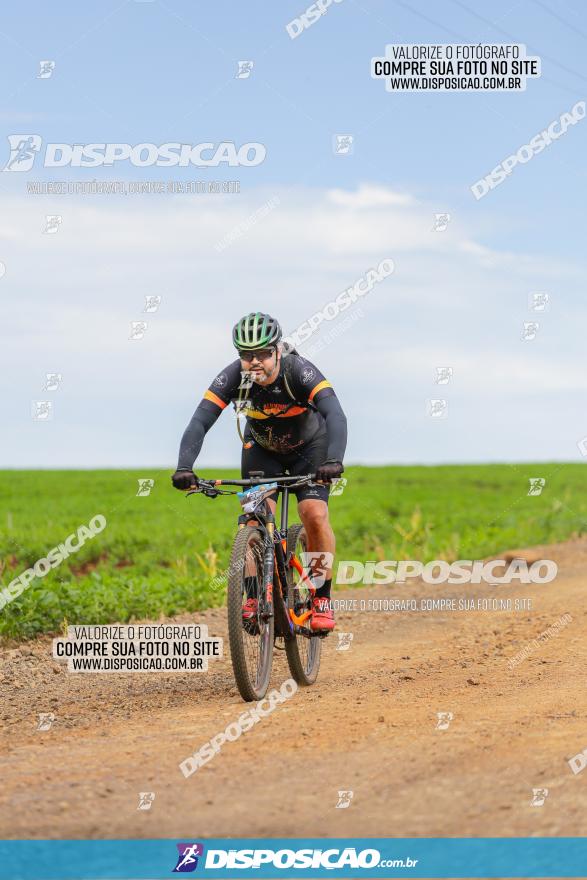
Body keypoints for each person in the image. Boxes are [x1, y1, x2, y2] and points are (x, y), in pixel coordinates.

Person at [171, 312, 347, 631]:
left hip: (309, 449)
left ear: (277, 351)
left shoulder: (299, 371)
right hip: (262, 451)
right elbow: (199, 421)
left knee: (313, 513)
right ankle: (253, 596)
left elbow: (335, 413)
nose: (255, 363)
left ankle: (321, 596)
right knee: (253, 519)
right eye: (247, 356)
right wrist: (185, 468)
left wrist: (333, 461)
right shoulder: (232, 378)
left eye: (263, 354)